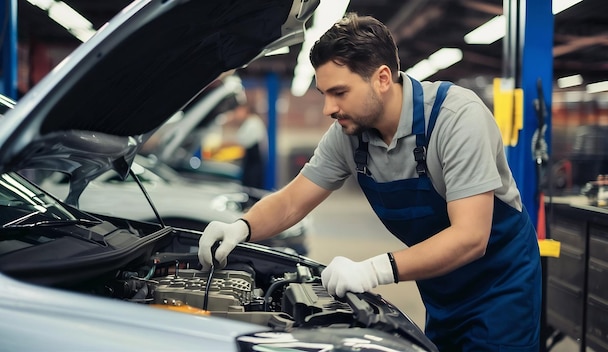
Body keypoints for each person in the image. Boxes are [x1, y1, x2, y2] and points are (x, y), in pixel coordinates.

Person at [199, 13, 541, 351]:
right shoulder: (349, 135)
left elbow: (470, 238)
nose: (328, 109)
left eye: (340, 92)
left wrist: (375, 270)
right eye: (324, 94)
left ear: (381, 78)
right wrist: (241, 228)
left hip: (501, 287)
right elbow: (292, 200)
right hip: (442, 289)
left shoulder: (455, 118)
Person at [229, 102, 268, 189]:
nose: (237, 114)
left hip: (253, 166)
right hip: (251, 164)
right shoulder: (251, 122)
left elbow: (242, 140)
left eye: (238, 111)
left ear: (245, 110)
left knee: (251, 190)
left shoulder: (253, 123)